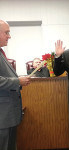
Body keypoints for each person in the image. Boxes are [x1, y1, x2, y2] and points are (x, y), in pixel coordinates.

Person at [0, 19, 30, 150]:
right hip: (3, 116)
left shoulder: (1, 52)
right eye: (6, 32)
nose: (9, 36)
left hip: (8, 115)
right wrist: (18, 81)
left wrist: (18, 81)